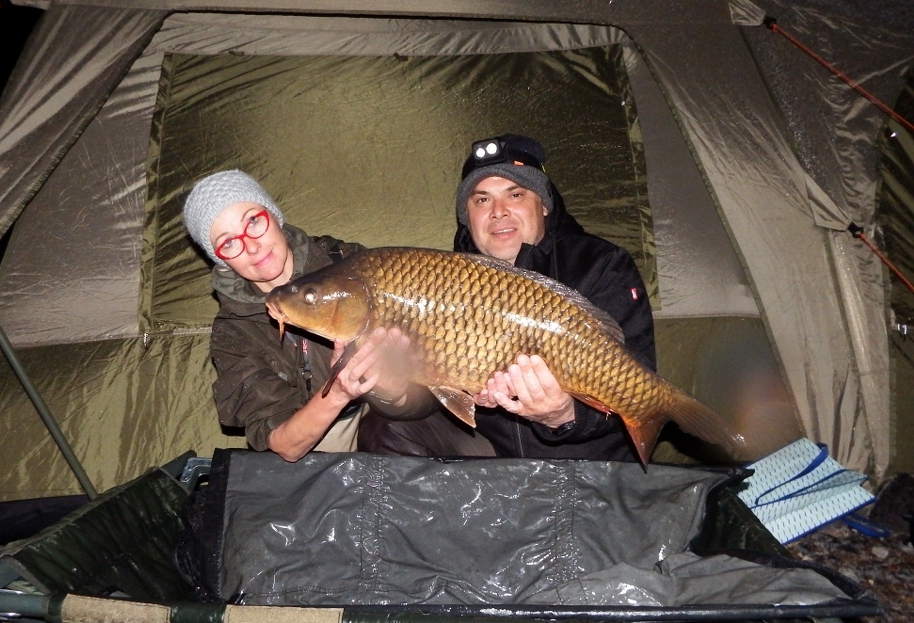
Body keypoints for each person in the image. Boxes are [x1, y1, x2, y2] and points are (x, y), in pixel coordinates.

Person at [183, 170, 427, 462]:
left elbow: (418, 383)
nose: (251, 245)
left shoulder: (349, 263)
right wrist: (337, 392)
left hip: (385, 417)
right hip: (315, 437)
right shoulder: (234, 333)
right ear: (220, 259)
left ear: (273, 215)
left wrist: (393, 389)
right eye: (229, 242)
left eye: (253, 221)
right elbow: (285, 445)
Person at [456, 133, 657, 461]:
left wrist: (565, 414)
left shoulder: (600, 265)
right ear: (468, 217)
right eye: (482, 200)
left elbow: (635, 377)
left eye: (515, 194)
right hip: (493, 459)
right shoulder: (446, 280)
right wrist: (396, 393)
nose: (498, 212)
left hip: (584, 461)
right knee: (389, 423)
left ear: (544, 205)